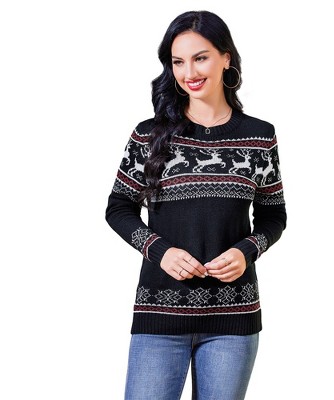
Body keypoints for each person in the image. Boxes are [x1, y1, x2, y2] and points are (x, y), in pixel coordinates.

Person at [105, 10, 287, 400]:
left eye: (200, 57)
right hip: (159, 315)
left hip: (233, 319)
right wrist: (160, 251)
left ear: (226, 58)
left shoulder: (260, 136)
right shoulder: (148, 135)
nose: (189, 72)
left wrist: (247, 250)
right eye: (178, 62)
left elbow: (274, 214)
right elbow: (118, 207)